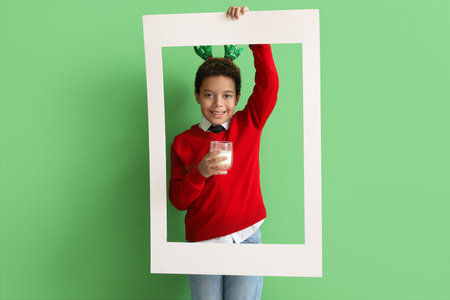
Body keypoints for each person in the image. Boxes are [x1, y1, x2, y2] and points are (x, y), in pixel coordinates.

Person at [168, 6, 279, 300]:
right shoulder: (183, 142)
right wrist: (200, 172)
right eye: (209, 95)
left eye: (227, 95)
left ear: (238, 98)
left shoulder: (249, 123)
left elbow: (269, 84)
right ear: (197, 95)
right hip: (202, 242)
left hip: (246, 236)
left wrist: (252, 30)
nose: (218, 104)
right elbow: (178, 200)